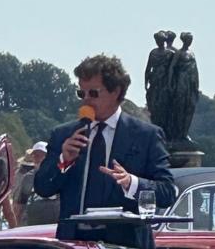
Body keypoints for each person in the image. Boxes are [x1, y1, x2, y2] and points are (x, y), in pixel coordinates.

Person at [33, 53, 177, 221]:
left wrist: (131, 183)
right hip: (76, 241)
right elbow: (42, 188)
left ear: (115, 92)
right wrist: (64, 161)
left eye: (93, 93)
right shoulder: (64, 135)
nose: (85, 100)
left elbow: (167, 193)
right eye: (81, 93)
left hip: (124, 242)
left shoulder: (146, 136)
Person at [9, 141, 48, 224]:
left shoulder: (58, 175)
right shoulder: (27, 177)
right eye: (36, 155)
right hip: (29, 224)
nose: (39, 158)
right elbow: (19, 204)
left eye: (42, 155)